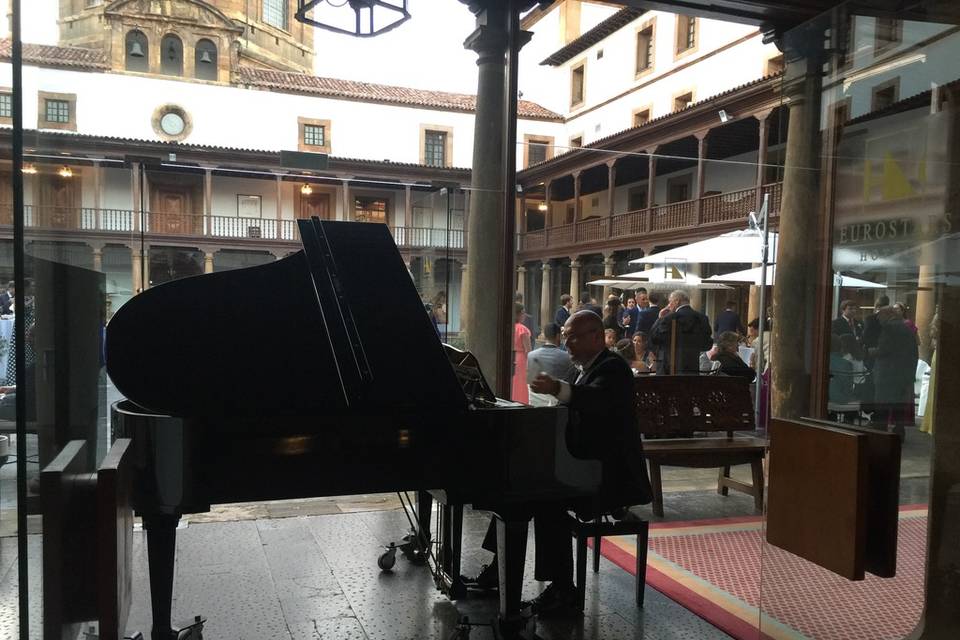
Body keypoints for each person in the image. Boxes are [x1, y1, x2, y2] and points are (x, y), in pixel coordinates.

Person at [466, 311, 653, 613]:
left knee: (546, 498)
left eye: (573, 336)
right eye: (565, 335)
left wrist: (557, 389)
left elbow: (594, 401)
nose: (567, 342)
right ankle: (498, 573)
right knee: (514, 494)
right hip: (584, 463)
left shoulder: (613, 367)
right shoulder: (583, 368)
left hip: (611, 473)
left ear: (596, 337)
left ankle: (563, 590)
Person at [868, 306, 918, 439]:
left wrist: (869, 351)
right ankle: (899, 433)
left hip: (887, 374)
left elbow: (884, 350)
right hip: (903, 374)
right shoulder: (906, 328)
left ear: (887, 315)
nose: (878, 319)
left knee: (882, 404)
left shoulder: (889, 328)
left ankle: (881, 433)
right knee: (899, 406)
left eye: (879, 316)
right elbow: (914, 352)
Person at [649, 290, 713, 375]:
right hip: (692, 367)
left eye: (670, 302)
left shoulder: (669, 318)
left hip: (669, 367)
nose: (669, 305)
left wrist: (659, 319)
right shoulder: (702, 318)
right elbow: (707, 345)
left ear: (677, 301)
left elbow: (654, 338)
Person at [527, 322, 574, 407]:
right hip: (556, 405)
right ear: (558, 336)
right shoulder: (567, 357)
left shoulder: (531, 355)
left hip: (535, 403)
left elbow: (530, 382)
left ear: (545, 336)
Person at [511, 303, 531, 404]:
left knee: (513, 383)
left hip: (512, 357)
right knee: (521, 384)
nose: (524, 316)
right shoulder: (522, 329)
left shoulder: (510, 327)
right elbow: (528, 350)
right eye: (522, 313)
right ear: (518, 314)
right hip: (521, 359)